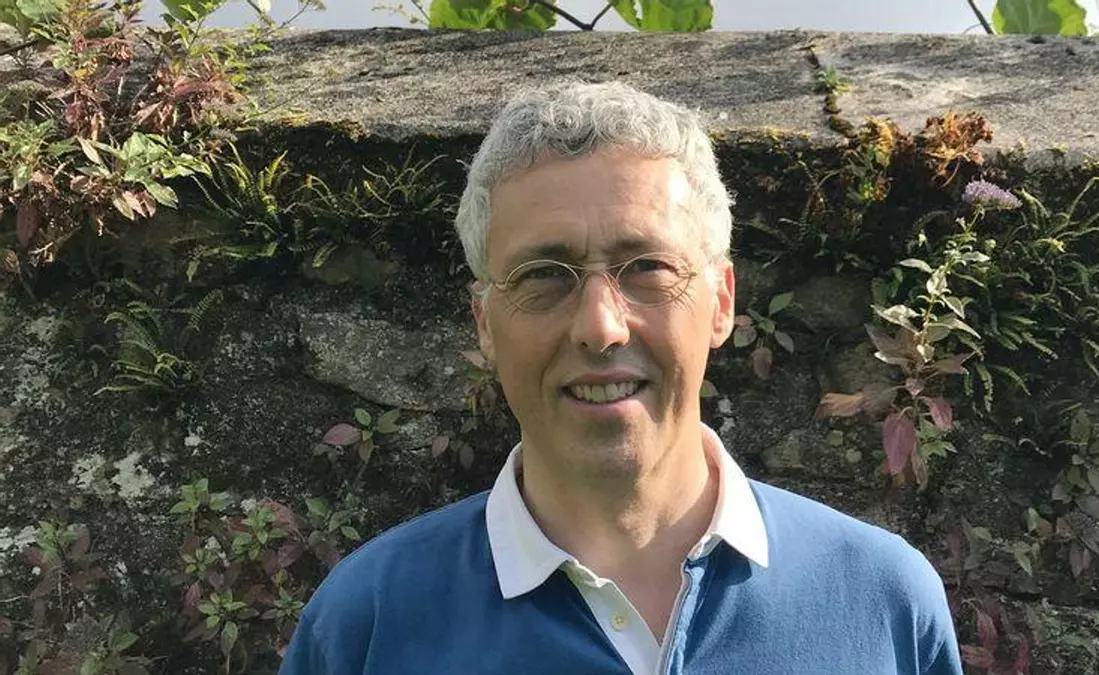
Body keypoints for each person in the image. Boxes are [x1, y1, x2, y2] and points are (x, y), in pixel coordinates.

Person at [279, 81, 963, 675]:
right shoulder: (366, 624)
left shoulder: (885, 605)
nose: (601, 326)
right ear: (484, 323)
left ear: (722, 302)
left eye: (647, 268)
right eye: (544, 275)